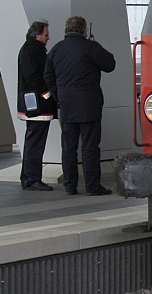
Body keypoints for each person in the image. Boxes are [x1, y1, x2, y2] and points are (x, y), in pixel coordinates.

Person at [44, 16, 115, 196]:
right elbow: (109, 64)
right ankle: (92, 186)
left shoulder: (56, 49)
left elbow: (48, 76)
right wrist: (95, 44)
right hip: (89, 105)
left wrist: (59, 94)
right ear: (84, 30)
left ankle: (70, 185)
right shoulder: (90, 47)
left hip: (67, 105)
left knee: (68, 147)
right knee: (90, 147)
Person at [17, 20, 56, 191]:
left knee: (34, 141)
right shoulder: (32, 50)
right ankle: (31, 178)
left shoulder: (31, 49)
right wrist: (46, 93)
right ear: (37, 34)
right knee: (35, 142)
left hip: (36, 104)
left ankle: (29, 176)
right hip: (38, 105)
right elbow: (33, 76)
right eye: (46, 35)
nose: (48, 38)